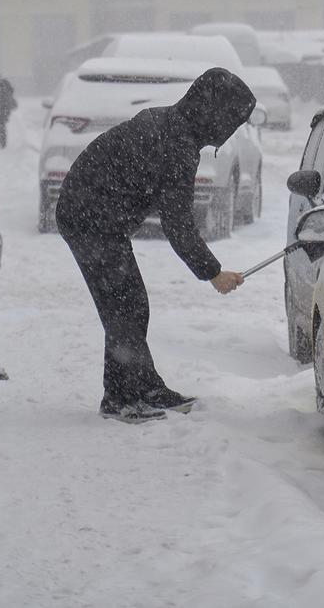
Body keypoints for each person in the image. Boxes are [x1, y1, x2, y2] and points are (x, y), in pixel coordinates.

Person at [56, 67, 256, 423]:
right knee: (125, 306)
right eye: (232, 121)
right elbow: (177, 224)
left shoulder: (174, 125)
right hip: (88, 216)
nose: (231, 130)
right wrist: (213, 273)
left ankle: (142, 387)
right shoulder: (177, 143)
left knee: (130, 304)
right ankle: (121, 398)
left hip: (96, 214)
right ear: (215, 114)